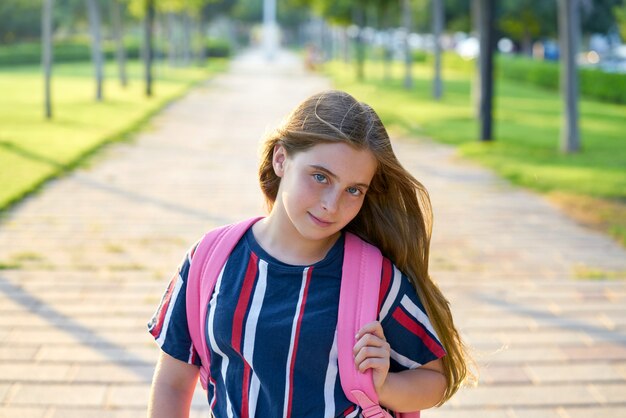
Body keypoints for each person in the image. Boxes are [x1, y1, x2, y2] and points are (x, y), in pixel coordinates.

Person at [147, 90, 473, 417]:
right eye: (320, 177)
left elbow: (434, 379)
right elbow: (172, 385)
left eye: (353, 190)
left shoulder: (374, 279)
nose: (332, 204)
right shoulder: (210, 260)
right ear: (280, 159)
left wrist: (383, 386)